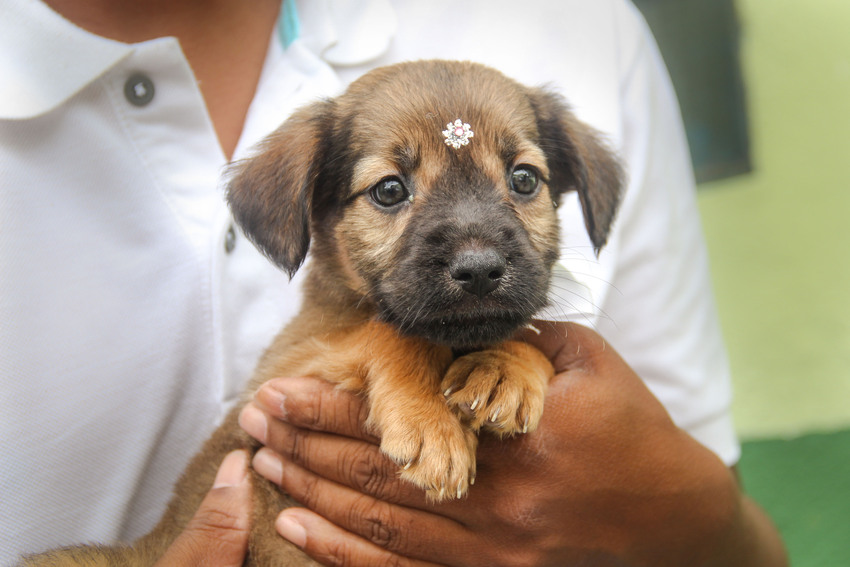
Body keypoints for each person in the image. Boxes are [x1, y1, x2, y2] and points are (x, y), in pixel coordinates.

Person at [0, 0, 787, 565]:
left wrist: (664, 503)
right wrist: (396, 358)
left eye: (523, 180)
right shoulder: (325, 314)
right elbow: (286, 393)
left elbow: (724, 537)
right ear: (307, 217)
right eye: (389, 192)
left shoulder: (586, 23)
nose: (478, 254)